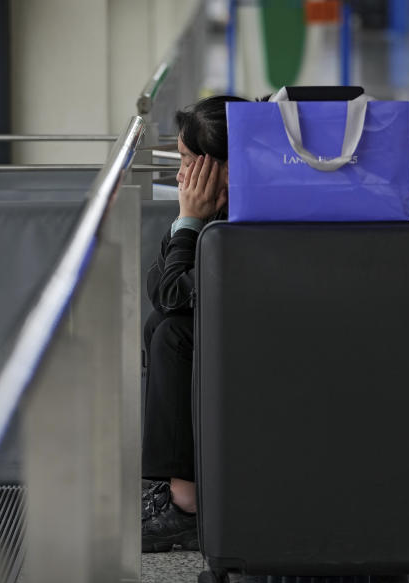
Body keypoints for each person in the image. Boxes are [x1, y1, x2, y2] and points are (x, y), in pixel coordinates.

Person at [141, 95, 247, 552]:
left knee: (171, 335)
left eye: (187, 162)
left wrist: (190, 220)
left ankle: (187, 504)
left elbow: (171, 293)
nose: (180, 175)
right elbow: (159, 287)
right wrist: (185, 221)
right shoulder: (219, 212)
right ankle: (179, 486)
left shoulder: (249, 219)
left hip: (265, 348)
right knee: (159, 325)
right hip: (245, 338)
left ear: (221, 166)